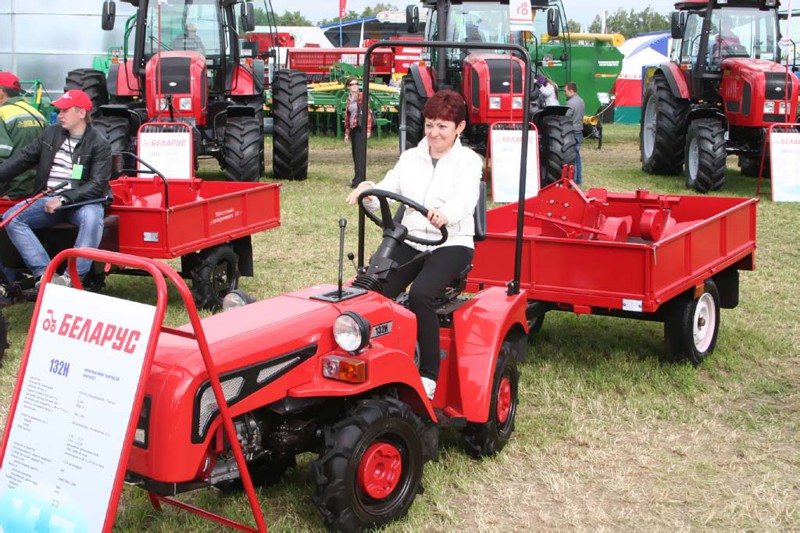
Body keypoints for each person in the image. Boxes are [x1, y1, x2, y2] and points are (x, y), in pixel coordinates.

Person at [346, 90, 481, 400]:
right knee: (371, 289)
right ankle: (371, 356)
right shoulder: (410, 158)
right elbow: (389, 187)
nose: (434, 133)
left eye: (443, 127)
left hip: (452, 242)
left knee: (421, 294)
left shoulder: (469, 161)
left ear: (459, 128)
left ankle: (428, 375)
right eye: (430, 124)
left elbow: (466, 197)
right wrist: (369, 190)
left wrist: (446, 214)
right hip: (412, 239)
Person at [0, 89, 111, 289]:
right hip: (48, 198)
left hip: (82, 202)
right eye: (58, 111)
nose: (59, 115)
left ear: (81, 113)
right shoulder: (51, 133)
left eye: (64, 111)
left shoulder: (99, 142)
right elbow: (22, 159)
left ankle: (72, 278)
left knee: (93, 218)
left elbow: (97, 185)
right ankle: (45, 274)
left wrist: (64, 199)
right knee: (13, 217)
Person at [0, 72, 46, 200]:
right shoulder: (36, 114)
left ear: (1, 92)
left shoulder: (2, 114)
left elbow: (1, 157)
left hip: (9, 193)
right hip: (33, 189)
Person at [343, 77, 373, 188]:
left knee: (360, 155)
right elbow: (348, 116)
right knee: (355, 155)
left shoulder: (361, 97)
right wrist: (347, 133)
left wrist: (368, 130)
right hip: (353, 129)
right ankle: (357, 178)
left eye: (356, 84)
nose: (355, 86)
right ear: (348, 87)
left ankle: (359, 181)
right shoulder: (349, 99)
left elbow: (367, 113)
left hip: (361, 128)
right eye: (352, 84)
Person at [564, 81, 585, 185]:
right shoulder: (581, 101)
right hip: (579, 130)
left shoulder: (570, 103)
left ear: (571, 91)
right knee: (577, 157)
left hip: (572, 131)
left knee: (573, 157)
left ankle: (575, 180)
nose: (564, 93)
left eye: (566, 91)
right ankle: (578, 179)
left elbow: (566, 117)